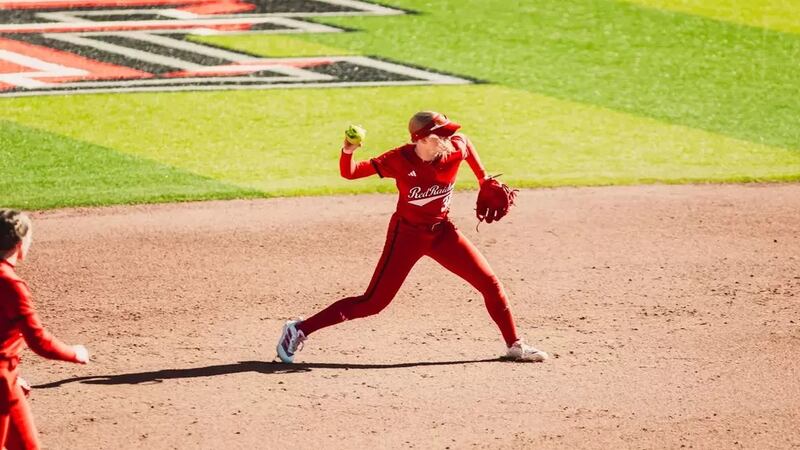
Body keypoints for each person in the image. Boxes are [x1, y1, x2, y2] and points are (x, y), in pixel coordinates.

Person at [276, 111, 547, 363]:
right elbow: (350, 173)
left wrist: (483, 178)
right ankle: (299, 329)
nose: (446, 139)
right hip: (405, 236)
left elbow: (465, 141)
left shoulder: (453, 149)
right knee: (373, 303)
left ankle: (514, 345)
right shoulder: (399, 159)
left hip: (442, 233)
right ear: (420, 139)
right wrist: (348, 151)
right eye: (438, 135)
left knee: (489, 283)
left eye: (446, 132)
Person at [0, 209, 90, 449]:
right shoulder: (10, 284)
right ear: (20, 245)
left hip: (6, 382)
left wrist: (11, 376)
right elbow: (38, 341)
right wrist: (75, 353)